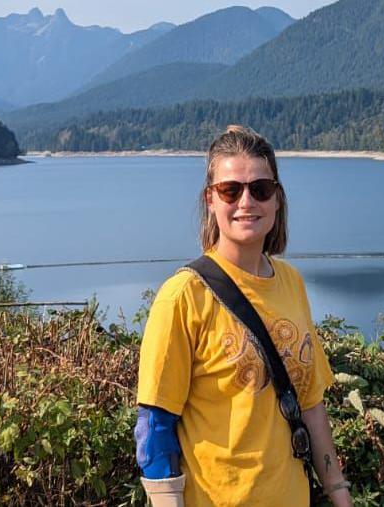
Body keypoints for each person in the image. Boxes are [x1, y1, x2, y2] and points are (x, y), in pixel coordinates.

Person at [135, 125, 354, 507]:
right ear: (210, 199)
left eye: (260, 189)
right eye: (230, 190)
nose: (246, 202)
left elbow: (311, 405)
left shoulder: (291, 283)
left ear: (277, 198)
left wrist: (338, 490)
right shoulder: (184, 296)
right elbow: (155, 429)